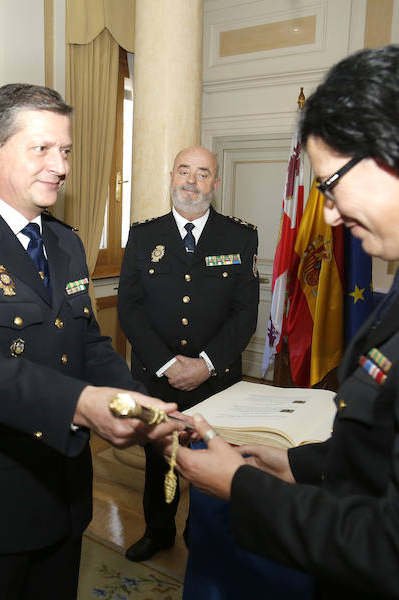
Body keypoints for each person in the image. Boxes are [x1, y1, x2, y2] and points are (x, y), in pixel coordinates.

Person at [169, 42, 399, 599]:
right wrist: (299, 466)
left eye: (330, 184)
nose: (328, 212)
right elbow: (397, 439)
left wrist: (240, 488)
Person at [0, 83, 185, 600]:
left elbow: (88, 344)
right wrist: (83, 404)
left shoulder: (66, 242)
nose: (60, 165)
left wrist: (135, 401)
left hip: (64, 486)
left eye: (66, 150)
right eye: (42, 148)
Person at [117, 145, 258, 561]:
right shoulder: (144, 234)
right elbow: (130, 306)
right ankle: (158, 531)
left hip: (216, 379)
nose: (191, 181)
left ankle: (202, 534)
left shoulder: (240, 235)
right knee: (160, 456)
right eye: (183, 171)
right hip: (156, 376)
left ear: (216, 183)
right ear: (172, 177)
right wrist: (166, 363)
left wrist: (206, 364)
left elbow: (244, 313)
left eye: (202, 173)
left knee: (211, 458)